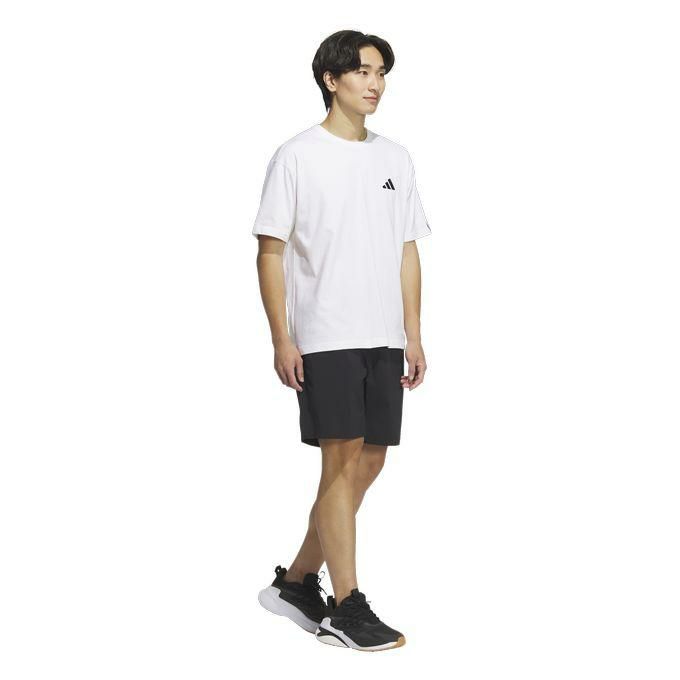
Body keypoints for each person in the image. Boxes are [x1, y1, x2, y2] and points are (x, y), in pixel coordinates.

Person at [252, 29, 431, 652]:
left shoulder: (395, 158)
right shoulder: (297, 156)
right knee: (340, 459)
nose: (374, 84)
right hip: (326, 334)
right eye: (361, 72)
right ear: (331, 80)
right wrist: (282, 337)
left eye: (381, 72)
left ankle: (298, 581)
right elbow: (270, 252)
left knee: (371, 460)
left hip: (384, 336)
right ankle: (345, 606)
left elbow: (407, 250)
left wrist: (413, 334)